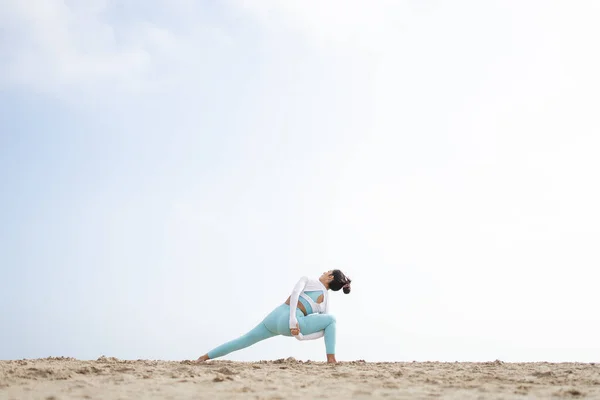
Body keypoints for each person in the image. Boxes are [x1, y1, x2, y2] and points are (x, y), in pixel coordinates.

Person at [195, 269, 352, 364]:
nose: (323, 272)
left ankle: (204, 357)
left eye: (326, 272)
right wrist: (300, 334)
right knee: (331, 320)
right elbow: (324, 330)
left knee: (243, 340)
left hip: (275, 318)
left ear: (330, 277)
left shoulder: (309, 280)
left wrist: (298, 332)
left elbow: (295, 294)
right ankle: (331, 359)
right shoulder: (323, 300)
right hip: (290, 321)